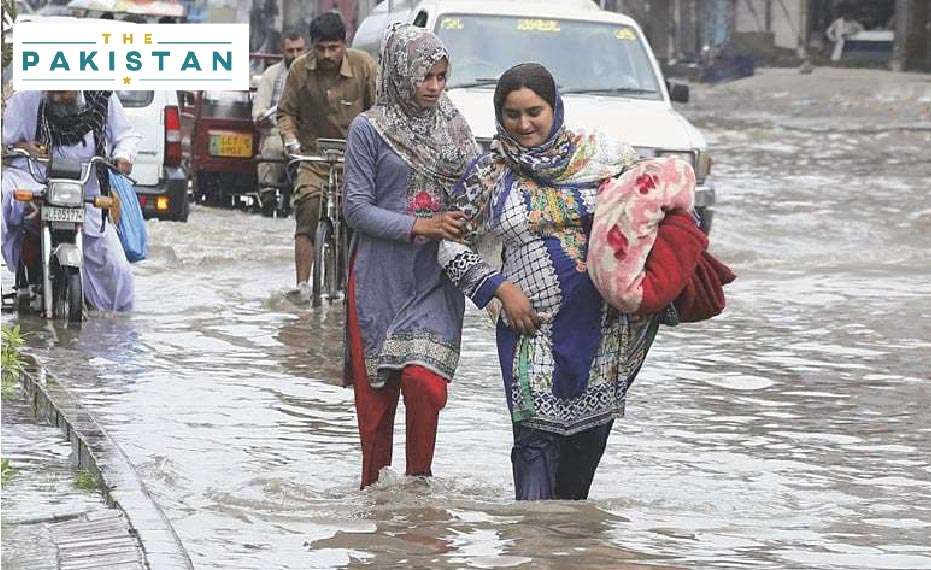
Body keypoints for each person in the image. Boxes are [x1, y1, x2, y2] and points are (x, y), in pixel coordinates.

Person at [438, 63, 694, 500]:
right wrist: (498, 287)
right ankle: (531, 544)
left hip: (604, 330)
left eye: (534, 112)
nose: (523, 125)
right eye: (512, 115)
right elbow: (449, 245)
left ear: (555, 108)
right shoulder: (488, 175)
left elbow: (660, 203)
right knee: (533, 443)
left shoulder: (604, 158)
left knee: (584, 454)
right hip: (528, 327)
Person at [341, 24, 477, 489]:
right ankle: (376, 502)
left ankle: (419, 488)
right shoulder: (369, 129)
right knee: (376, 406)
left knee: (425, 383)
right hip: (379, 279)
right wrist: (421, 225)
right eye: (426, 77)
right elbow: (355, 208)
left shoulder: (455, 128)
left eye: (442, 77)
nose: (435, 88)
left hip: (435, 276)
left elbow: (477, 188)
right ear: (401, 73)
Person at [2, 90, 141, 311]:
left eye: (63, 91)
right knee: (4, 196)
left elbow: (126, 136)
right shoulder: (25, 98)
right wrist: (22, 147)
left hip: (85, 188)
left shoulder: (102, 98)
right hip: (33, 179)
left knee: (117, 272)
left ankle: (112, 334)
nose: (56, 97)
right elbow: (8, 144)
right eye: (52, 91)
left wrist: (123, 156)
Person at [277, 12, 377, 301]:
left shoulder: (365, 66)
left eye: (333, 48)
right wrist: (290, 141)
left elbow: (381, 112)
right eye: (320, 49)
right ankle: (302, 284)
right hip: (314, 156)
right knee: (307, 203)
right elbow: (286, 113)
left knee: (359, 214)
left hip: (357, 157)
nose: (327, 55)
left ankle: (355, 282)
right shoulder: (299, 70)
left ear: (344, 45)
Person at [253, 30, 306, 216]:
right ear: (282, 51)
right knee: (271, 150)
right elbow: (259, 110)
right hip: (277, 132)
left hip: (305, 134)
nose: (295, 55)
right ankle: (267, 197)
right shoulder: (271, 75)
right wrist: (264, 117)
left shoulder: (313, 74)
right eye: (290, 50)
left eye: (299, 50)